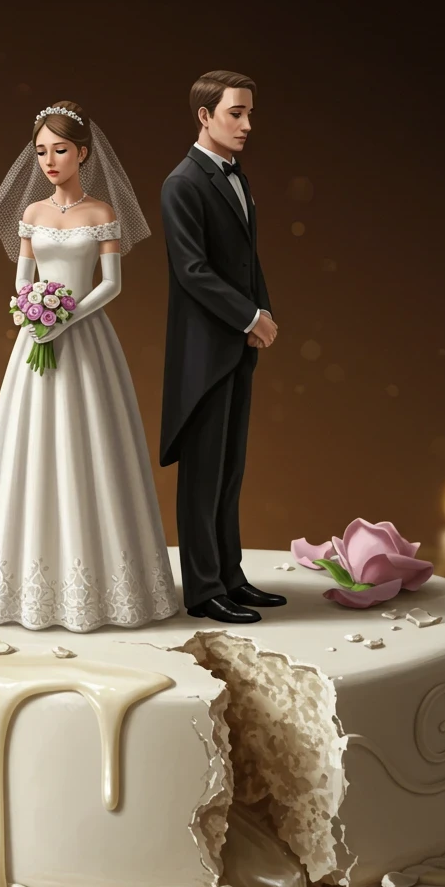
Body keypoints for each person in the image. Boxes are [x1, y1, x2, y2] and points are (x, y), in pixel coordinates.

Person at [0, 102, 178, 632]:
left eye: (60, 149)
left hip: (86, 341)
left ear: (83, 152)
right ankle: (24, 587)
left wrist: (65, 317)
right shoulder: (33, 213)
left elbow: (112, 284)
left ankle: (109, 586)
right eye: (41, 151)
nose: (49, 161)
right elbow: (22, 278)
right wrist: (31, 311)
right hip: (36, 337)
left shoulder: (102, 213)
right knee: (29, 443)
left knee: (93, 443)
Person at [161, 70, 285, 623]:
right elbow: (192, 270)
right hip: (204, 353)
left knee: (231, 471)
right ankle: (203, 589)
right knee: (203, 475)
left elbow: (246, 259)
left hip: (236, 347)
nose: (247, 124)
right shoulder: (182, 183)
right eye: (236, 113)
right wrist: (249, 316)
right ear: (204, 116)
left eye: (250, 113)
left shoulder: (236, 177)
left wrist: (264, 312)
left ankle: (230, 576)